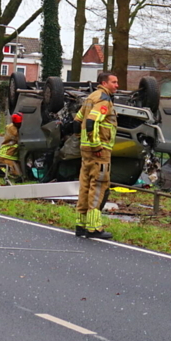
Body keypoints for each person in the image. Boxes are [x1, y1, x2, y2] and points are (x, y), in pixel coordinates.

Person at [73, 71, 119, 239]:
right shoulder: (103, 100)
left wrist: (82, 140)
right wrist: (97, 145)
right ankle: (94, 228)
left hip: (86, 152)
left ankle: (81, 225)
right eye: (114, 82)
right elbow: (92, 121)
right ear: (104, 83)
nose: (117, 85)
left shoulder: (90, 97)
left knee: (84, 186)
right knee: (98, 187)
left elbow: (77, 122)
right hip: (100, 153)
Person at [0, 113, 22, 178]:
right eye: (19, 123)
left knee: (19, 173)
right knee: (15, 174)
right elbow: (19, 137)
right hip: (6, 155)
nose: (20, 125)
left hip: (10, 155)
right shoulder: (13, 130)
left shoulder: (11, 126)